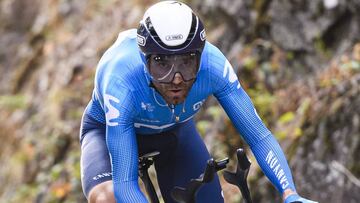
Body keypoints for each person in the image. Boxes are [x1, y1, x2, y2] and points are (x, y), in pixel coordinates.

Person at [79, 1, 318, 203]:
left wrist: (290, 194)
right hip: (106, 133)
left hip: (173, 133)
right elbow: (125, 184)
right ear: (145, 61)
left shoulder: (213, 65)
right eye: (162, 64)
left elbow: (259, 137)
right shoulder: (121, 79)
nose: (176, 78)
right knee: (107, 197)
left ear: (200, 56)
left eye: (186, 62)